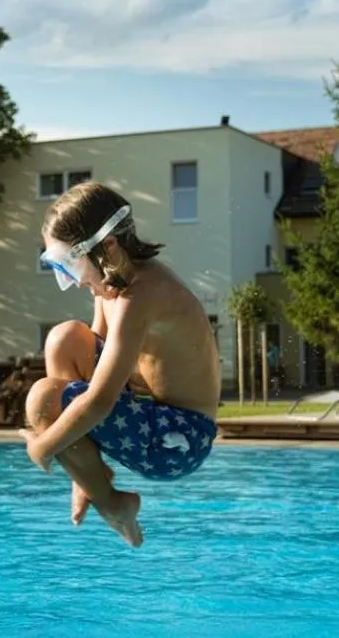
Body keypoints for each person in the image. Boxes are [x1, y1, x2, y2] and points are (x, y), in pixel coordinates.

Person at [20, 182, 221, 546]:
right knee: (64, 338)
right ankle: (88, 477)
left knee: (43, 401)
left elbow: (99, 401)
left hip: (180, 441)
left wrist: (42, 447)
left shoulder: (140, 296)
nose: (74, 281)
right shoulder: (110, 286)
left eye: (71, 264)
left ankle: (112, 503)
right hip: (149, 413)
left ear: (108, 247)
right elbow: (91, 361)